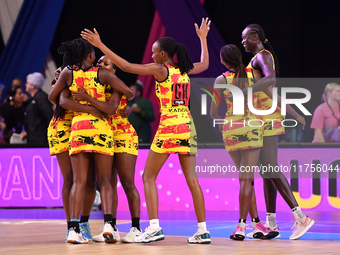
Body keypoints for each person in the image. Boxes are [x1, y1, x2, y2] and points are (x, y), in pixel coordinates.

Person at [81, 17, 212, 244]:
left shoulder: (161, 70)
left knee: (148, 176)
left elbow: (127, 67)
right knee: (193, 180)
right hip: (188, 127)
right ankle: (203, 230)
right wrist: (203, 39)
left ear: (163, 55)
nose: (152, 56)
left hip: (170, 126)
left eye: (154, 52)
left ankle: (153, 227)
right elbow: (206, 64)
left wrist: (101, 45)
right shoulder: (184, 70)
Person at [49, 38, 134, 244]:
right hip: (93, 128)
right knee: (102, 180)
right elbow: (127, 94)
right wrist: (95, 106)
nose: (101, 62)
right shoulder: (102, 75)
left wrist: (83, 100)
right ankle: (107, 225)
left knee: (79, 181)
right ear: (90, 55)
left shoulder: (69, 73)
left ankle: (74, 227)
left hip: (77, 128)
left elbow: (55, 98)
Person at [241, 24, 314, 240]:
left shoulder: (262, 57)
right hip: (262, 118)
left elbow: (271, 80)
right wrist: (296, 114)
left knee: (270, 168)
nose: (242, 41)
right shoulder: (258, 60)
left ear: (255, 37)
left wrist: (245, 90)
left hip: (266, 120)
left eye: (245, 38)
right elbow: (272, 94)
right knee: (266, 172)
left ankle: (301, 218)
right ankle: (271, 223)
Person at [210, 44, 279, 240]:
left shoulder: (220, 80)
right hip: (252, 127)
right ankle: (245, 225)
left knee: (244, 180)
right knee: (247, 180)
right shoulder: (255, 76)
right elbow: (271, 95)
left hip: (232, 129)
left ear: (223, 60)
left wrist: (222, 124)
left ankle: (254, 223)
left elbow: (214, 112)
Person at [76, 55, 142, 243]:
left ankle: (136, 228)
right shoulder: (95, 84)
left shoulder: (115, 84)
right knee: (108, 182)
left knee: (128, 182)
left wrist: (127, 109)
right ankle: (110, 227)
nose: (101, 65)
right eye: (99, 63)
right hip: (104, 135)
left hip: (122, 135)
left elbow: (128, 95)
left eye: (106, 64)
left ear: (113, 71)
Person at [24, 72, 54, 145]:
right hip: (34, 139)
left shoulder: (41, 98)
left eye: (27, 83)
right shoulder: (33, 99)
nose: (25, 85)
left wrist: (50, 135)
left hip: (40, 140)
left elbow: (49, 115)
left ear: (32, 86)